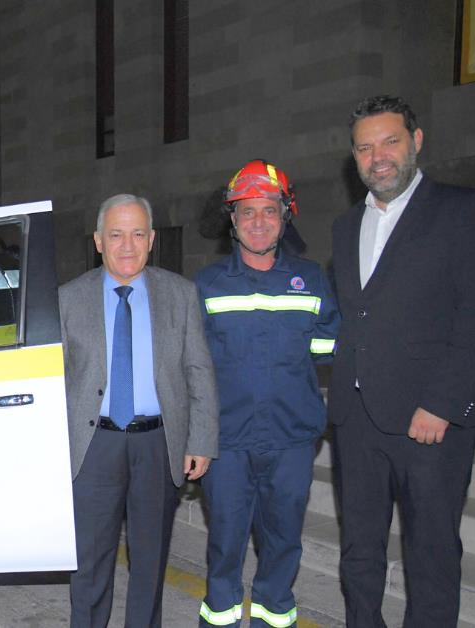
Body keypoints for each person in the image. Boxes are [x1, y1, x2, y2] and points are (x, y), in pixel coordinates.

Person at [330, 95, 475, 627]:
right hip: (356, 419)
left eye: (390, 141)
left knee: (430, 553)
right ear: (354, 157)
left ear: (417, 141)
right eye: (365, 148)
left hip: (429, 422)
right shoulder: (345, 226)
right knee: (359, 550)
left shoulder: (462, 210)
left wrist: (441, 404)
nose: (378, 156)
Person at [60, 194, 219, 627]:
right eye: (116, 235)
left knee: (150, 561)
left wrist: (201, 440)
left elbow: (199, 369)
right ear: (98, 241)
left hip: (158, 445)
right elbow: (56, 379)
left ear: (151, 240)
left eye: (137, 234)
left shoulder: (180, 294)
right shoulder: (68, 299)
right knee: (89, 564)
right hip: (92, 446)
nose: (127, 246)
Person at [194, 160, 339, 627]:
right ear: (232, 220)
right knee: (225, 542)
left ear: (285, 216)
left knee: (283, 542)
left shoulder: (312, 280)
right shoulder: (207, 285)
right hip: (227, 442)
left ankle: (275, 618)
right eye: (247, 211)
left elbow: (328, 349)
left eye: (269, 210)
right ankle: (220, 618)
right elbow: (192, 369)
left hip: (291, 439)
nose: (258, 221)